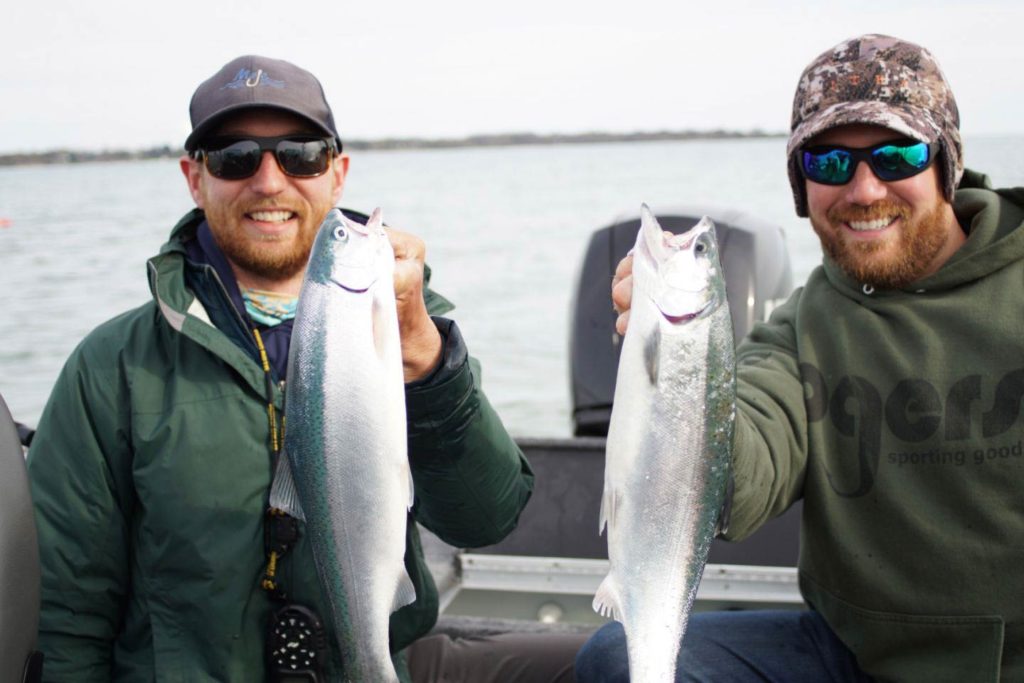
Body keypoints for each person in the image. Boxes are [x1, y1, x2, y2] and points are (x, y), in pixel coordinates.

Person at [26, 55, 537, 682]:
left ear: (338, 174)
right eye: (235, 156)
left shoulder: (413, 338)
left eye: (301, 154)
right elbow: (67, 610)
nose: (270, 182)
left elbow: (485, 519)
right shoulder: (112, 367)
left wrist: (426, 363)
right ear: (195, 177)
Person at [575, 34, 1024, 682]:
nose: (865, 190)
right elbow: (737, 481)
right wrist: (678, 365)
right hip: (850, 656)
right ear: (801, 183)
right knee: (614, 659)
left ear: (945, 164)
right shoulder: (800, 326)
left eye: (897, 155)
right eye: (830, 164)